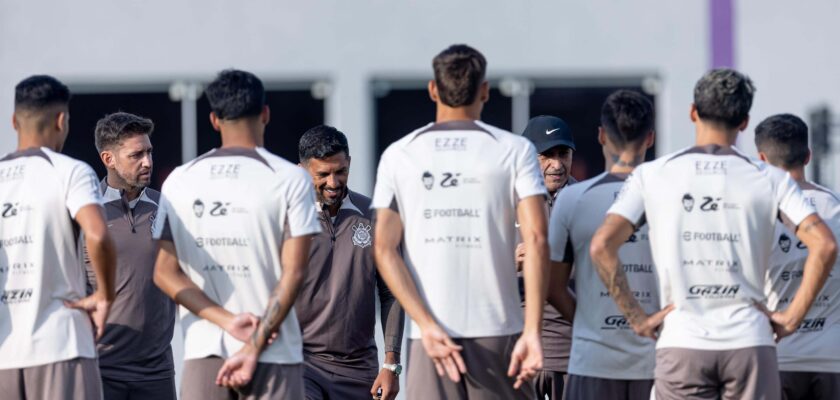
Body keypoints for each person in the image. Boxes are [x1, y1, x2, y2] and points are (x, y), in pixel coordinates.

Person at [590, 68, 838, 400]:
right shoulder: (769, 178)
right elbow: (824, 244)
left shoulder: (653, 174)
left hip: (682, 341)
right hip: (750, 342)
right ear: (745, 122)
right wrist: (792, 319)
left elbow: (602, 246)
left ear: (693, 112)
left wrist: (637, 318)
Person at [372, 44, 548, 399]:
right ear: (485, 90)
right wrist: (532, 331)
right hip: (502, 333)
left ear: (433, 90)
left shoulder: (399, 154)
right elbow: (538, 240)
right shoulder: (515, 150)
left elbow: (383, 248)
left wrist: (425, 324)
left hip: (428, 340)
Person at [152, 69, 321, 399]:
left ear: (214, 120)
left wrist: (226, 321)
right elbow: (296, 271)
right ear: (265, 114)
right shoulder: (290, 179)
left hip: (205, 353)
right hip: (274, 354)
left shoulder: (179, 181)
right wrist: (254, 344)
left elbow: (163, 272)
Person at [0, 75, 117, 399]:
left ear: (13, 121)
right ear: (61, 120)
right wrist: (105, 295)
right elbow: (98, 233)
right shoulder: (70, 171)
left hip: (5, 353)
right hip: (62, 346)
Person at [549, 90, 659, 399]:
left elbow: (552, 286)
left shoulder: (572, 198)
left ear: (601, 136)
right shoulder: (668, 196)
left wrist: (587, 322)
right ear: (649, 138)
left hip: (592, 360)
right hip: (656, 362)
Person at [295, 125, 405, 400]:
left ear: (349, 164)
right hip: (302, 365)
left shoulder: (376, 216)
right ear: (302, 170)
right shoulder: (287, 220)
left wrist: (391, 364)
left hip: (360, 370)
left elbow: (393, 293)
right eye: (322, 174)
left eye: (340, 171)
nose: (333, 183)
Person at [80, 112, 176, 399]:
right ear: (109, 159)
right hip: (101, 366)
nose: (147, 162)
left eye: (149, 152)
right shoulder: (84, 212)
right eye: (136, 155)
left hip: (157, 369)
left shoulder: (167, 207)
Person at [755, 114, 840, 400]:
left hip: (776, 357)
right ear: (808, 156)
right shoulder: (834, 206)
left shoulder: (754, 212)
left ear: (762, 159)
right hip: (832, 357)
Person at [516, 115, 576, 399]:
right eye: (546, 155)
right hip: (516, 354)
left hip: (571, 353)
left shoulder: (585, 200)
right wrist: (510, 263)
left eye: (563, 154)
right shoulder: (503, 199)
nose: (557, 164)